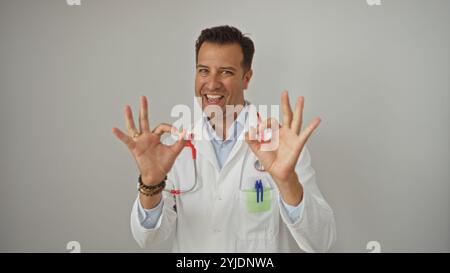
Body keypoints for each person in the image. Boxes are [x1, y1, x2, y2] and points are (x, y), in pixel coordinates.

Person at [112, 25, 336, 252]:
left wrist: (287, 181)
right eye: (203, 70)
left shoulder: (280, 145)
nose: (211, 83)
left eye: (226, 72)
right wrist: (150, 184)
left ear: (246, 78)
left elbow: (321, 242)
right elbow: (147, 238)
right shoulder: (174, 148)